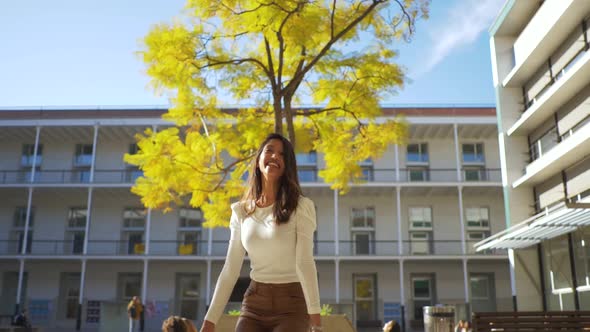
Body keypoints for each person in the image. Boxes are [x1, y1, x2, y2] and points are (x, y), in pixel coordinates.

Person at [200, 133, 322, 332]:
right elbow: (231, 269)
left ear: (287, 166)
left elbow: (305, 262)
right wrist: (210, 320)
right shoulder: (241, 211)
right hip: (254, 304)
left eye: (282, 155)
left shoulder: (301, 207)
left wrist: (316, 321)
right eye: (270, 151)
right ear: (258, 161)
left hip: (292, 305)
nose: (275, 156)